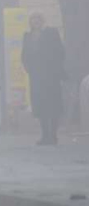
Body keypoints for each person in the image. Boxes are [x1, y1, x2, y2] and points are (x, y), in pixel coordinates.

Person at [22, 11, 66, 145]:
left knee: (53, 105)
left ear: (42, 21)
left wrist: (56, 69)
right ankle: (45, 135)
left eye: (38, 19)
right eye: (33, 19)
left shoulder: (51, 33)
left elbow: (60, 51)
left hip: (51, 75)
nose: (35, 21)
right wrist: (29, 69)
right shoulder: (27, 36)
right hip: (36, 76)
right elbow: (24, 54)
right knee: (40, 106)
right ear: (30, 22)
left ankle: (53, 135)